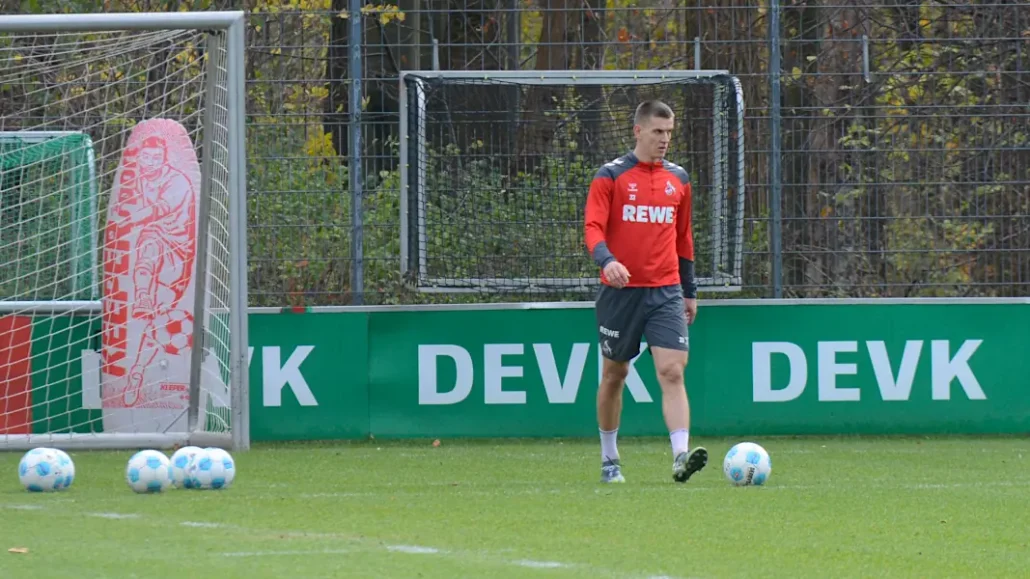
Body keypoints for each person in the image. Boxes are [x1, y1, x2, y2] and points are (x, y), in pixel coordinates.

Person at [582, 100, 707, 484]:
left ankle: (681, 456)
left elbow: (683, 238)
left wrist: (689, 290)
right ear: (638, 131)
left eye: (669, 132)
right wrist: (607, 261)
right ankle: (609, 459)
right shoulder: (611, 176)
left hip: (666, 290)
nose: (664, 139)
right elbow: (592, 228)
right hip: (621, 293)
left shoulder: (679, 179)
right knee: (615, 374)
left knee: (672, 371)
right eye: (657, 132)